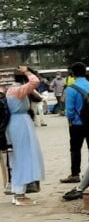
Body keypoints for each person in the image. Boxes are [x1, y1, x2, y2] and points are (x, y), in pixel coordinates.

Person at [5, 65, 45, 205]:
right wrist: (27, 71)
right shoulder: (18, 90)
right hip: (20, 125)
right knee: (23, 157)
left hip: (16, 124)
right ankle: (20, 194)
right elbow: (35, 81)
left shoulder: (11, 89)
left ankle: (17, 191)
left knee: (17, 158)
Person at [61, 62, 89, 185]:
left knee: (75, 148)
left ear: (72, 74)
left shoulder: (71, 89)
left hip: (77, 124)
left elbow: (69, 110)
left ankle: (75, 174)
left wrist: (70, 120)